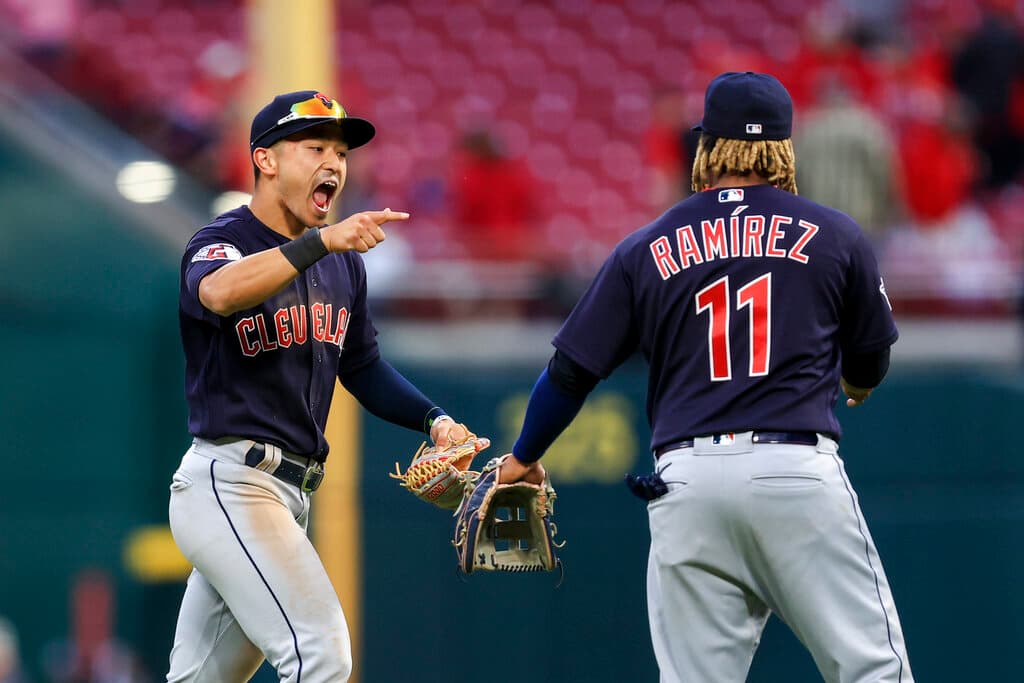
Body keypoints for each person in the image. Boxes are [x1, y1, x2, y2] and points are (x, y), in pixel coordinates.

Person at [499, 72, 914, 682]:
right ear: (781, 149)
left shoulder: (645, 245)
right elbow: (870, 357)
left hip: (686, 481)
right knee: (873, 672)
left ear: (708, 147)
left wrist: (523, 453)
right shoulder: (836, 234)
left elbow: (569, 372)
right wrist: (855, 383)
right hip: (794, 471)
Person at [166, 90, 477, 683]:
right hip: (230, 484)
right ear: (266, 160)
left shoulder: (342, 264)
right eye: (315, 148)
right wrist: (319, 244)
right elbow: (219, 292)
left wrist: (433, 419)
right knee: (321, 654)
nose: (335, 163)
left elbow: (362, 368)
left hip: (290, 496)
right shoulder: (223, 239)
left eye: (341, 152)